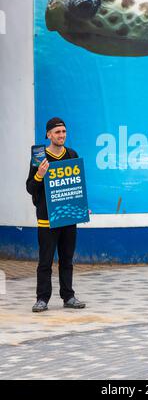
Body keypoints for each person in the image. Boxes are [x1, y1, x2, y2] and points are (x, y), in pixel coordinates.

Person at [26, 117, 86, 313]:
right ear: (48, 135)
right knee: (45, 261)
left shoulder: (71, 154)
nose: (61, 135)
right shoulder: (39, 157)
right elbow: (30, 188)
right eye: (57, 132)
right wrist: (39, 175)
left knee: (67, 259)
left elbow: (75, 185)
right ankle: (42, 299)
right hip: (46, 218)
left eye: (64, 132)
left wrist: (81, 204)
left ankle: (68, 296)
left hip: (68, 218)